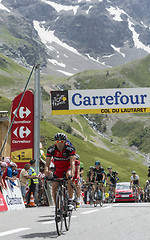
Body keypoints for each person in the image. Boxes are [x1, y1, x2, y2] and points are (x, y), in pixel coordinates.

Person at [45, 132, 75, 211]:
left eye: (61, 142)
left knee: (69, 178)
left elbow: (72, 163)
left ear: (65, 142)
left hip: (67, 168)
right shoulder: (51, 149)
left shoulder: (70, 149)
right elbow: (47, 165)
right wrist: (47, 173)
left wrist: (72, 173)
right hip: (57, 169)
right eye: (57, 142)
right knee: (54, 187)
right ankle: (57, 207)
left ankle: (70, 200)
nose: (59, 144)